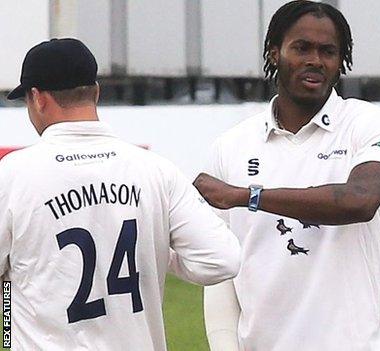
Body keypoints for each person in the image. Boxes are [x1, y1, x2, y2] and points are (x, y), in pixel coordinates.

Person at [0, 38, 241, 350]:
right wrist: (158, 250)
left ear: (38, 98)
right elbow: (222, 260)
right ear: (96, 92)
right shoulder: (156, 170)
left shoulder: (13, 174)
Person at [193, 1, 380, 350]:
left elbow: (360, 201)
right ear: (274, 53)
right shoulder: (230, 146)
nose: (315, 61)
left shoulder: (371, 125)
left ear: (341, 61)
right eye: (301, 48)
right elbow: (221, 268)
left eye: (328, 51)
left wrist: (248, 196)